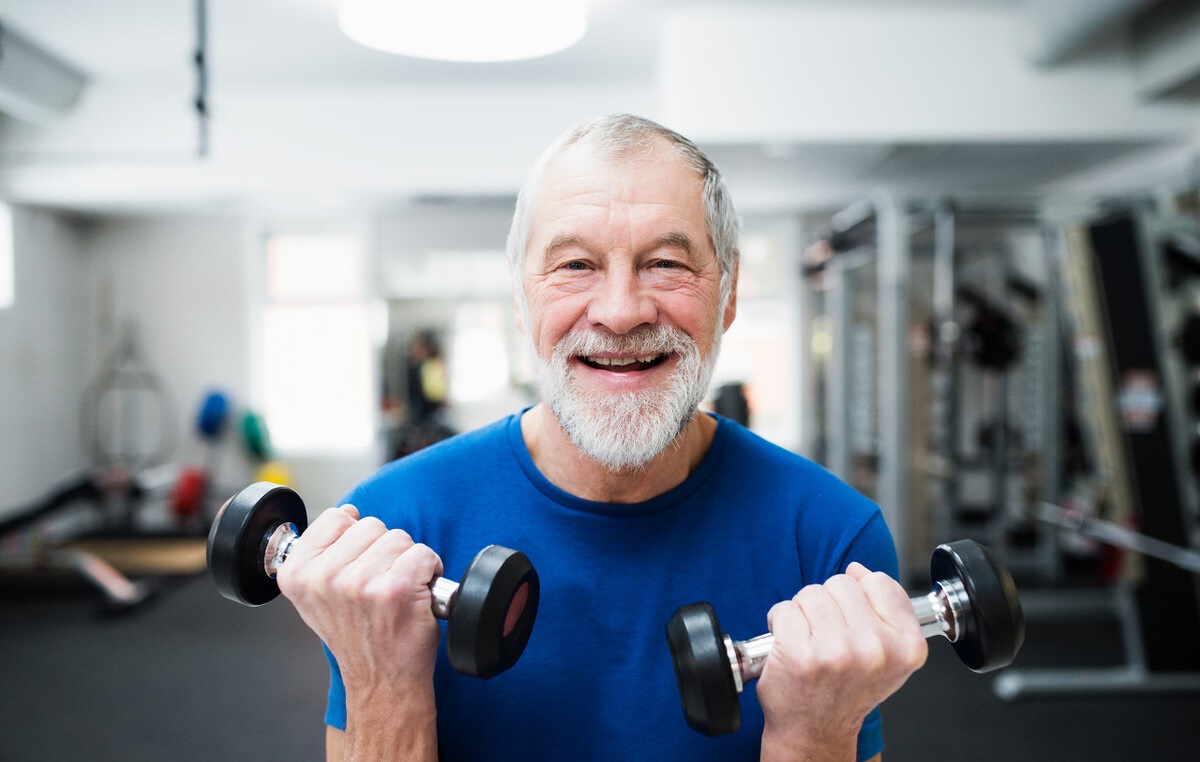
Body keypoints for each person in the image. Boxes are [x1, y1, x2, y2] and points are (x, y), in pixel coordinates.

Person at [276, 114, 927, 761]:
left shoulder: (832, 537)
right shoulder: (392, 530)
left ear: (727, 296)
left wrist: (814, 734)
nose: (620, 311)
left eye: (666, 263)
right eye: (577, 264)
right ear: (520, 300)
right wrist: (384, 684)